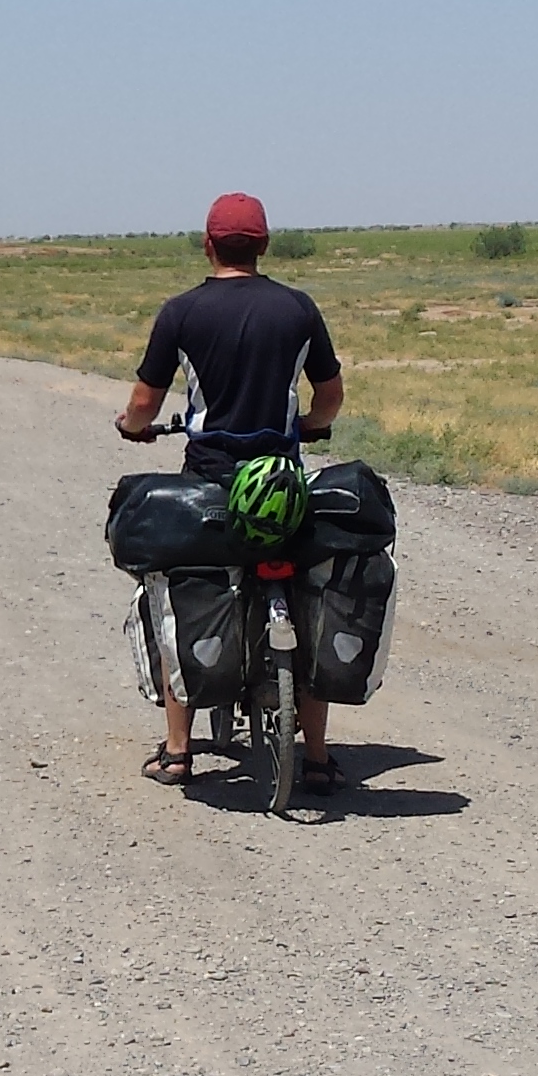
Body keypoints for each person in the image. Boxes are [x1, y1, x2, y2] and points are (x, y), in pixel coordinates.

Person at [115, 191, 346, 791]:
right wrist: (310, 425)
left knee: (181, 589)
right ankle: (317, 757)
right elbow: (329, 396)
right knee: (309, 594)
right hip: (280, 484)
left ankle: (177, 752)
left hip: (211, 480)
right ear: (264, 245)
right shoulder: (298, 309)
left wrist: (132, 427)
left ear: (208, 245)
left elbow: (144, 402)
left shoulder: (182, 313)